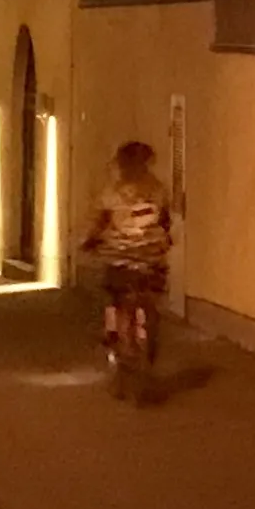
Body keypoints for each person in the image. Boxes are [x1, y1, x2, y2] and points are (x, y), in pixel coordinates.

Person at [80, 141, 172, 358]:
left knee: (116, 297)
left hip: (120, 259)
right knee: (152, 292)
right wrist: (162, 240)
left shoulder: (112, 193)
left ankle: (119, 337)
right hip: (151, 259)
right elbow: (166, 221)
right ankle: (150, 327)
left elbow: (98, 222)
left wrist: (88, 240)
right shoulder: (158, 190)